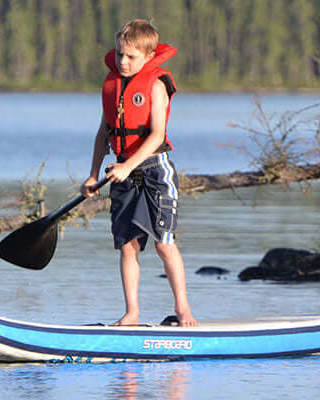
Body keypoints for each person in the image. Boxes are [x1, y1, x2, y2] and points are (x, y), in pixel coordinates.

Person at [81, 19, 198, 327]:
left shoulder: (156, 84)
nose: (123, 61)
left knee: (163, 243)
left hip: (154, 170)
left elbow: (158, 134)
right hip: (122, 171)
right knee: (128, 245)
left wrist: (128, 166)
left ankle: (183, 310)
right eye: (120, 54)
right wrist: (93, 175)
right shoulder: (112, 86)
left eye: (130, 57)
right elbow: (103, 134)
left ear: (147, 56)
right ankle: (132, 312)